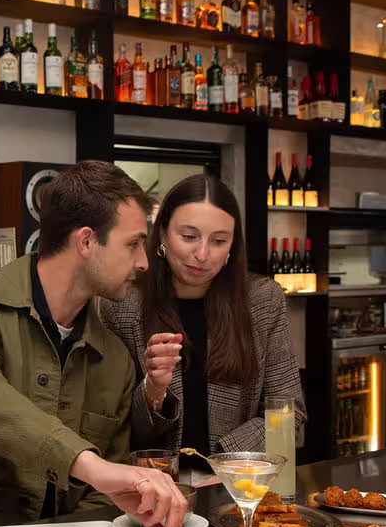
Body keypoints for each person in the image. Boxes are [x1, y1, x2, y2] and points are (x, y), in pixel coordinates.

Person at [0, 161, 188, 527]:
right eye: (133, 243)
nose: (143, 262)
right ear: (87, 241)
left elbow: (101, 493)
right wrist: (91, 465)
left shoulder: (116, 359)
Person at [101, 174, 306, 469]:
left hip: (237, 484)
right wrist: (153, 390)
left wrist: (224, 462)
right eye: (188, 237)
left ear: (232, 247)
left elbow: (288, 413)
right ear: (162, 234)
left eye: (219, 241)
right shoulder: (122, 304)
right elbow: (113, 429)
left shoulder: (262, 300)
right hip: (151, 488)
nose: (202, 254)